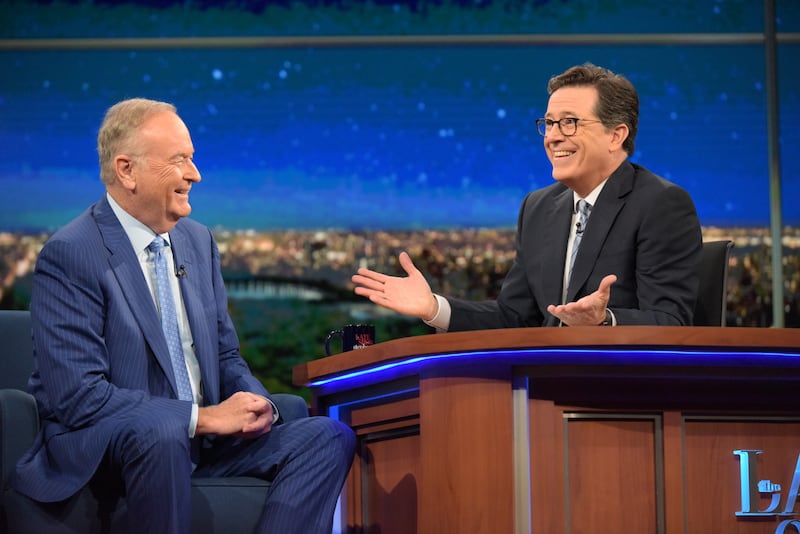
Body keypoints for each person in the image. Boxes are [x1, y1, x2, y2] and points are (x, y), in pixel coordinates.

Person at [12, 98, 355, 534]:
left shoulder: (197, 241)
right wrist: (201, 418)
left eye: (192, 159)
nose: (195, 174)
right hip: (109, 450)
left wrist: (255, 403)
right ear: (127, 170)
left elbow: (225, 356)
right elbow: (80, 396)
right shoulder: (73, 253)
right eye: (179, 161)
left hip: (203, 444)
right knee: (160, 432)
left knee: (327, 437)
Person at [352, 63, 703, 329]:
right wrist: (434, 308)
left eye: (570, 123)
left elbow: (671, 322)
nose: (552, 137)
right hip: (543, 389)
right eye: (549, 124)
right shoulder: (538, 208)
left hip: (621, 392)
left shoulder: (660, 204)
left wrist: (605, 319)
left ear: (616, 135)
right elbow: (513, 317)